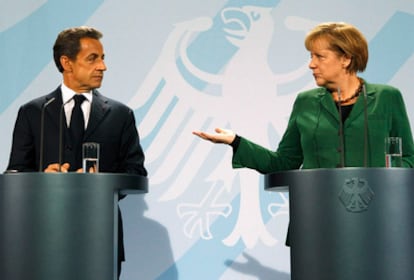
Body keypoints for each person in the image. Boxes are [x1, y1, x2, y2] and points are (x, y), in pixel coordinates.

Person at [6, 26, 147, 278]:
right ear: (66, 63)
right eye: (93, 58)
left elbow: (135, 171)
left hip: (101, 238)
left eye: (103, 58)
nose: (102, 67)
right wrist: (42, 179)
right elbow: (16, 173)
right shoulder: (33, 112)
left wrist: (98, 182)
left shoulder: (120, 115)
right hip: (42, 238)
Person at [193, 22, 414, 171]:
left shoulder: (387, 98)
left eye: (320, 56)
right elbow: (285, 162)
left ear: (346, 59)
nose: (311, 64)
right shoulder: (306, 101)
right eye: (311, 56)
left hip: (377, 217)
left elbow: (408, 159)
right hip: (315, 216)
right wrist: (236, 142)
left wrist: (385, 180)